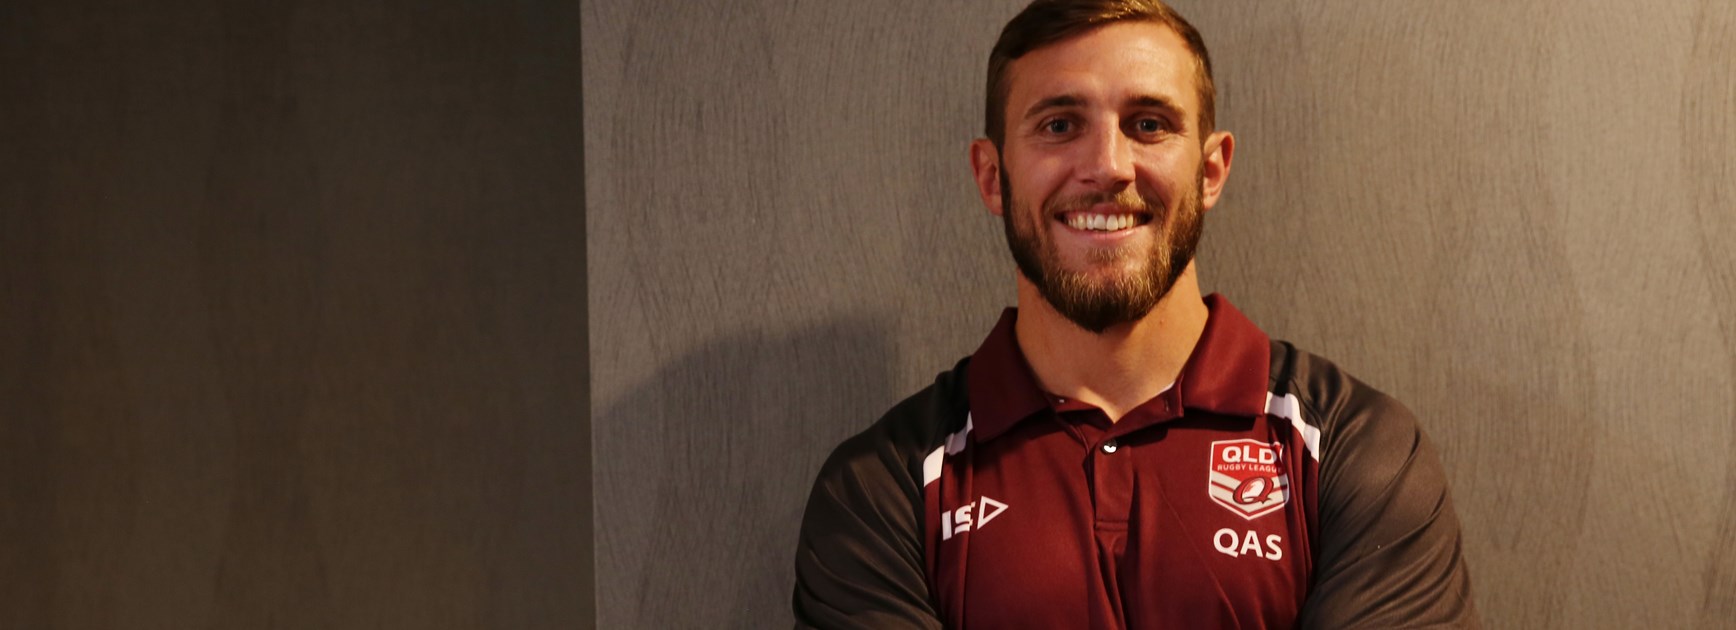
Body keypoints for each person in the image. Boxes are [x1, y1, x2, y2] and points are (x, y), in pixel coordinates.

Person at [791, 0, 1478, 627]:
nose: (1108, 166)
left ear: (1211, 171)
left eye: (1148, 124)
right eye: (1060, 125)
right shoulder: (882, 490)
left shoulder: (1358, 451)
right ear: (992, 177)